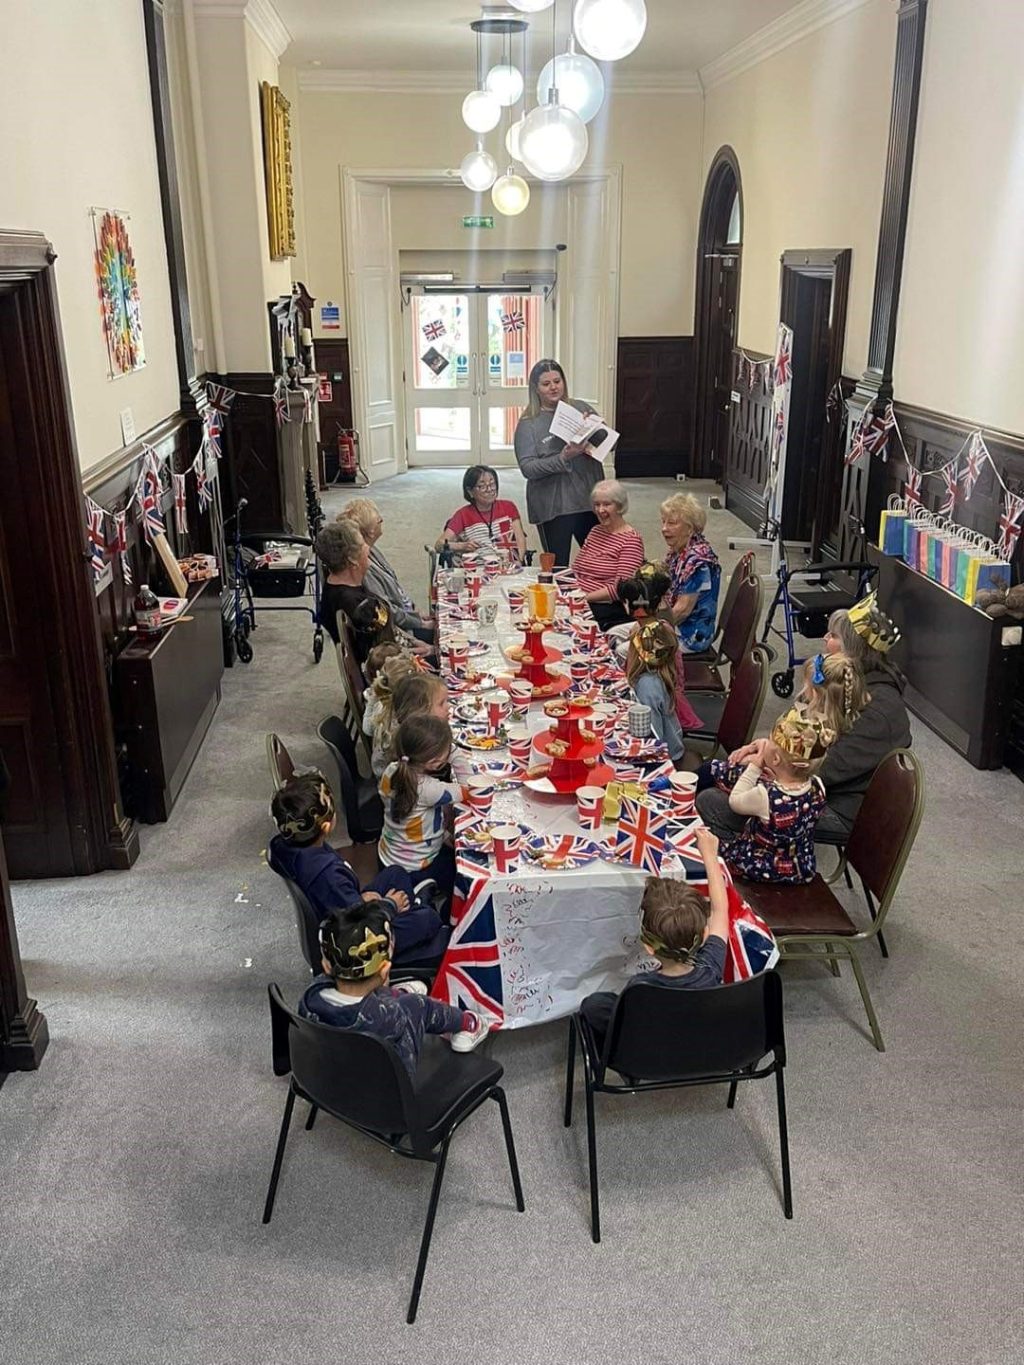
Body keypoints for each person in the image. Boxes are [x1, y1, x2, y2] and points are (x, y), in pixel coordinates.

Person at [698, 592, 908, 841]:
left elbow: (821, 768)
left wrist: (764, 762)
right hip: (807, 777)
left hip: (838, 806)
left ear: (851, 649)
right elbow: (801, 730)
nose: (825, 638)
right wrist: (766, 747)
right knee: (714, 772)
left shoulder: (878, 712)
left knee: (714, 803)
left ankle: (734, 863)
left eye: (833, 636)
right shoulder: (844, 681)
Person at [267, 772, 449, 969]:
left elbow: (338, 901)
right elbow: (356, 923)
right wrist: (388, 905)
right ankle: (412, 921)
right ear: (327, 826)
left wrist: (359, 901)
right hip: (356, 940)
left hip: (344, 908)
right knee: (428, 919)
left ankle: (412, 909)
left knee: (395, 872)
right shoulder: (327, 875)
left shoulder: (285, 845)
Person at [578, 828, 729, 1055]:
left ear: (648, 947)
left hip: (644, 1059)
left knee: (594, 1005)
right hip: (702, 1051)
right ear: (704, 935)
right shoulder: (711, 967)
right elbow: (720, 909)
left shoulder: (639, 988)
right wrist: (710, 856)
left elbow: (719, 911)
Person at [299, 901, 491, 1075]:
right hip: (390, 1098)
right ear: (385, 970)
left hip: (330, 1086)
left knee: (400, 1000)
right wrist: (464, 1021)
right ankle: (471, 1023)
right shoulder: (399, 1014)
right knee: (421, 1007)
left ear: (327, 965)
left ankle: (395, 993)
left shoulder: (310, 999)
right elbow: (427, 1011)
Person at [706, 709, 836, 885]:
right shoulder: (817, 785)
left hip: (762, 866)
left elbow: (735, 800)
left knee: (710, 837)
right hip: (800, 867)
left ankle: (726, 872)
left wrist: (755, 766)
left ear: (774, 759)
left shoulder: (766, 795)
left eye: (769, 740)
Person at [513, 358, 601, 566]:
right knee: (558, 566)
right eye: (546, 384)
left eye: (557, 381)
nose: (553, 387)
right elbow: (528, 468)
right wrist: (563, 457)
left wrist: (597, 429)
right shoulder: (528, 424)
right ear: (536, 388)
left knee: (599, 561)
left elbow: (610, 445)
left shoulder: (580, 407)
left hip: (588, 499)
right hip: (553, 506)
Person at [315, 520, 431, 665]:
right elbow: (385, 655)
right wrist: (430, 650)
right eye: (362, 543)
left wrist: (415, 642)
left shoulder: (333, 588)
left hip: (390, 658)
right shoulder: (361, 607)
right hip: (393, 673)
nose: (368, 548)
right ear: (352, 559)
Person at [378, 714, 462, 901]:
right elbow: (470, 788)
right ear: (435, 762)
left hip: (389, 856)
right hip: (416, 867)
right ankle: (450, 915)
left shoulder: (392, 770)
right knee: (461, 871)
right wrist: (455, 752)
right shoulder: (429, 789)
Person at [613, 562, 703, 731]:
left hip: (662, 729)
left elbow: (652, 735)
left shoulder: (648, 685)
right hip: (661, 704)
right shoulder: (656, 628)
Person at [339, 498, 434, 642]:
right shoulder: (366, 569)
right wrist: (420, 623)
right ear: (370, 532)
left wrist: (415, 612)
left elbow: (396, 592)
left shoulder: (372, 550)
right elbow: (388, 611)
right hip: (399, 632)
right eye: (379, 521)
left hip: (406, 617)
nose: (382, 521)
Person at [569, 479, 645, 628]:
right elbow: (576, 569)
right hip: (579, 597)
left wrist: (582, 598)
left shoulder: (631, 541)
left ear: (619, 506)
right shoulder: (595, 531)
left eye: (606, 504)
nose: (600, 510)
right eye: (597, 504)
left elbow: (620, 590)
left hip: (605, 607)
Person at [660, 493, 722, 654]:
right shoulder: (679, 552)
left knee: (629, 648)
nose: (664, 528)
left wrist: (648, 629)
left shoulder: (697, 563)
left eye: (671, 523)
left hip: (690, 637)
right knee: (615, 634)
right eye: (663, 522)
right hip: (675, 626)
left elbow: (682, 611)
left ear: (690, 528)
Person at [624, 620, 687, 764]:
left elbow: (652, 738)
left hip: (665, 757)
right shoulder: (656, 676)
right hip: (670, 745)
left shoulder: (647, 687)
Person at [436, 465, 526, 562]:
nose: (489, 489)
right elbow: (439, 545)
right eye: (482, 486)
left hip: (509, 567)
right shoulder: (463, 515)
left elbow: (520, 541)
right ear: (470, 491)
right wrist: (461, 546)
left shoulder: (509, 507)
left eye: (492, 484)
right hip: (478, 570)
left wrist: (517, 563)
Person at [363, 651, 418, 779]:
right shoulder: (405, 723)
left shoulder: (381, 706)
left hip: (381, 773)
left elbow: (367, 729)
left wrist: (373, 699)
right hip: (394, 785)